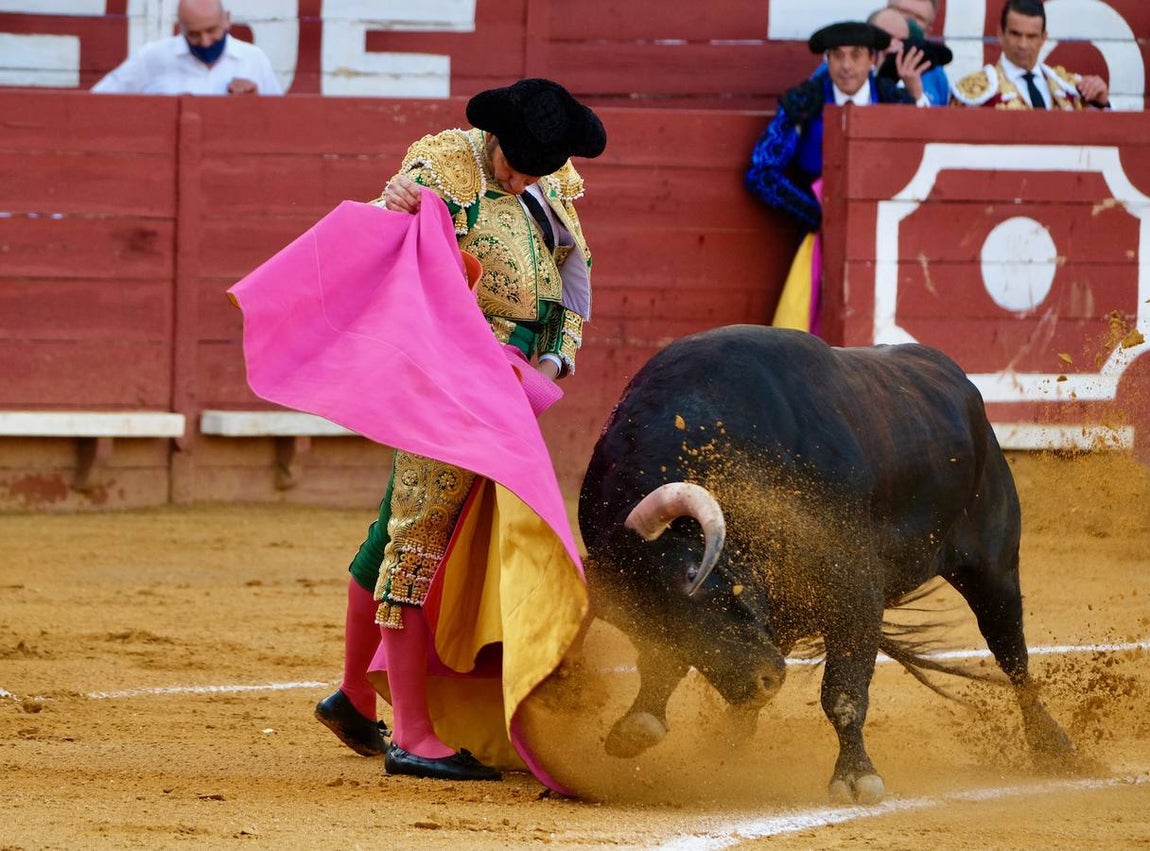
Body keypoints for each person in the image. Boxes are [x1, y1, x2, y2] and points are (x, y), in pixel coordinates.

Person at [313, 78, 606, 782]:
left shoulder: (555, 180)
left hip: (513, 382)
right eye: (516, 163)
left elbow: (572, 269)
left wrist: (560, 353)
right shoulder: (444, 162)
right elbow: (390, 222)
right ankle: (413, 733)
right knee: (417, 538)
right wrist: (393, 206)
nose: (523, 176)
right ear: (495, 136)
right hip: (446, 372)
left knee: (401, 526)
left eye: (538, 167)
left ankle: (355, 693)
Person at [746, 21, 928, 334]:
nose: (846, 66)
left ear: (873, 59)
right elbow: (761, 171)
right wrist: (818, 214)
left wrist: (917, 97)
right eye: (838, 56)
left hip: (885, 235)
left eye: (856, 55)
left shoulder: (894, 100)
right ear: (826, 60)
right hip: (820, 238)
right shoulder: (804, 103)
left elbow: (923, 160)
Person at [91, 0, 282, 96]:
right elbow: (98, 101)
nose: (205, 41)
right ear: (180, 27)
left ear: (227, 20)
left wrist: (257, 104)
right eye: (194, 34)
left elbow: (280, 120)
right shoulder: (152, 57)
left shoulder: (253, 58)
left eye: (211, 30)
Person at [951, 0, 1110, 110]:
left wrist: (1102, 103)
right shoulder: (972, 90)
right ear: (1000, 34)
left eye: (1031, 36)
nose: (1022, 44)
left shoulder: (1071, 88)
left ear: (1043, 38)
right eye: (1015, 34)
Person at [870, 8, 953, 107]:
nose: (895, 46)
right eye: (887, 39)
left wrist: (915, 94)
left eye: (901, 41)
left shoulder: (931, 72)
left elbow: (934, 119)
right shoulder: (854, 73)